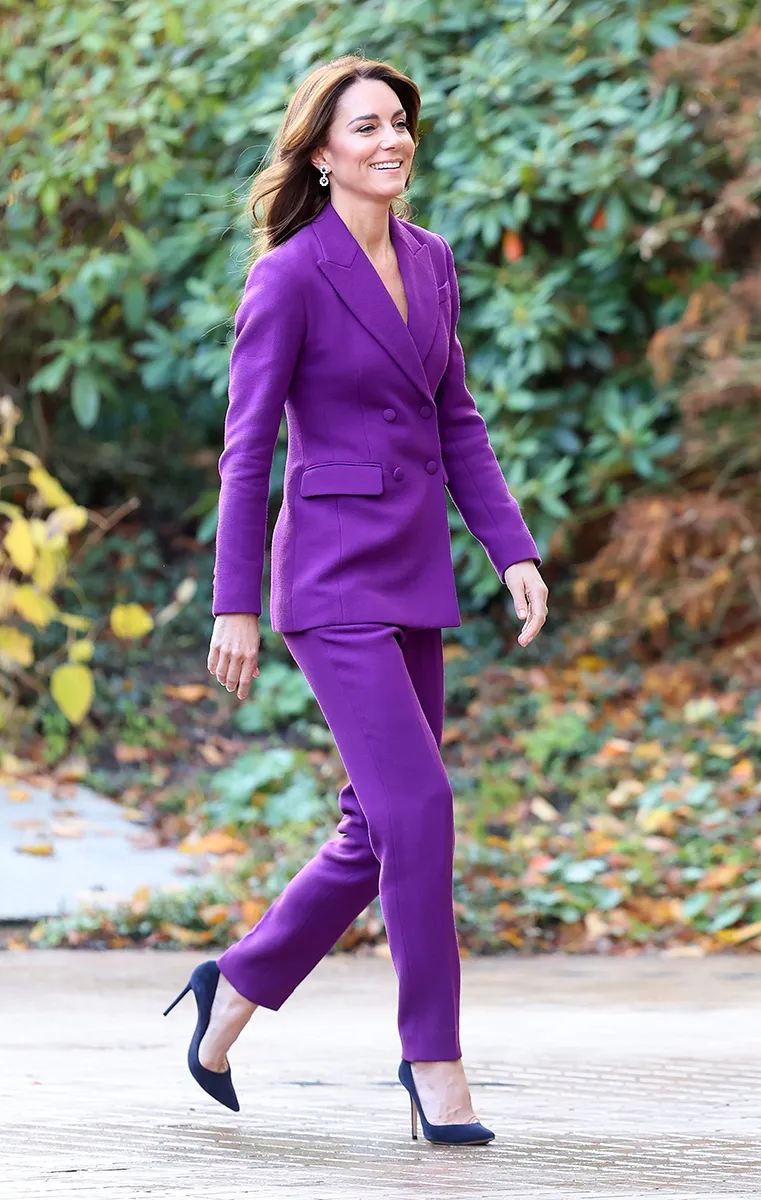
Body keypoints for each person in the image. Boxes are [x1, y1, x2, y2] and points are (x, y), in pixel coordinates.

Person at [163, 53, 548, 1145]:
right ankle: (433, 1061)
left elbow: (456, 419)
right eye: (363, 127)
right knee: (420, 810)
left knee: (375, 826)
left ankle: (227, 994)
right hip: (326, 576)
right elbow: (246, 455)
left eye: (397, 123)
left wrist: (509, 547)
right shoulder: (288, 274)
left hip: (412, 563)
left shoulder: (431, 260)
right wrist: (232, 602)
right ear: (321, 154)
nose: (388, 141)